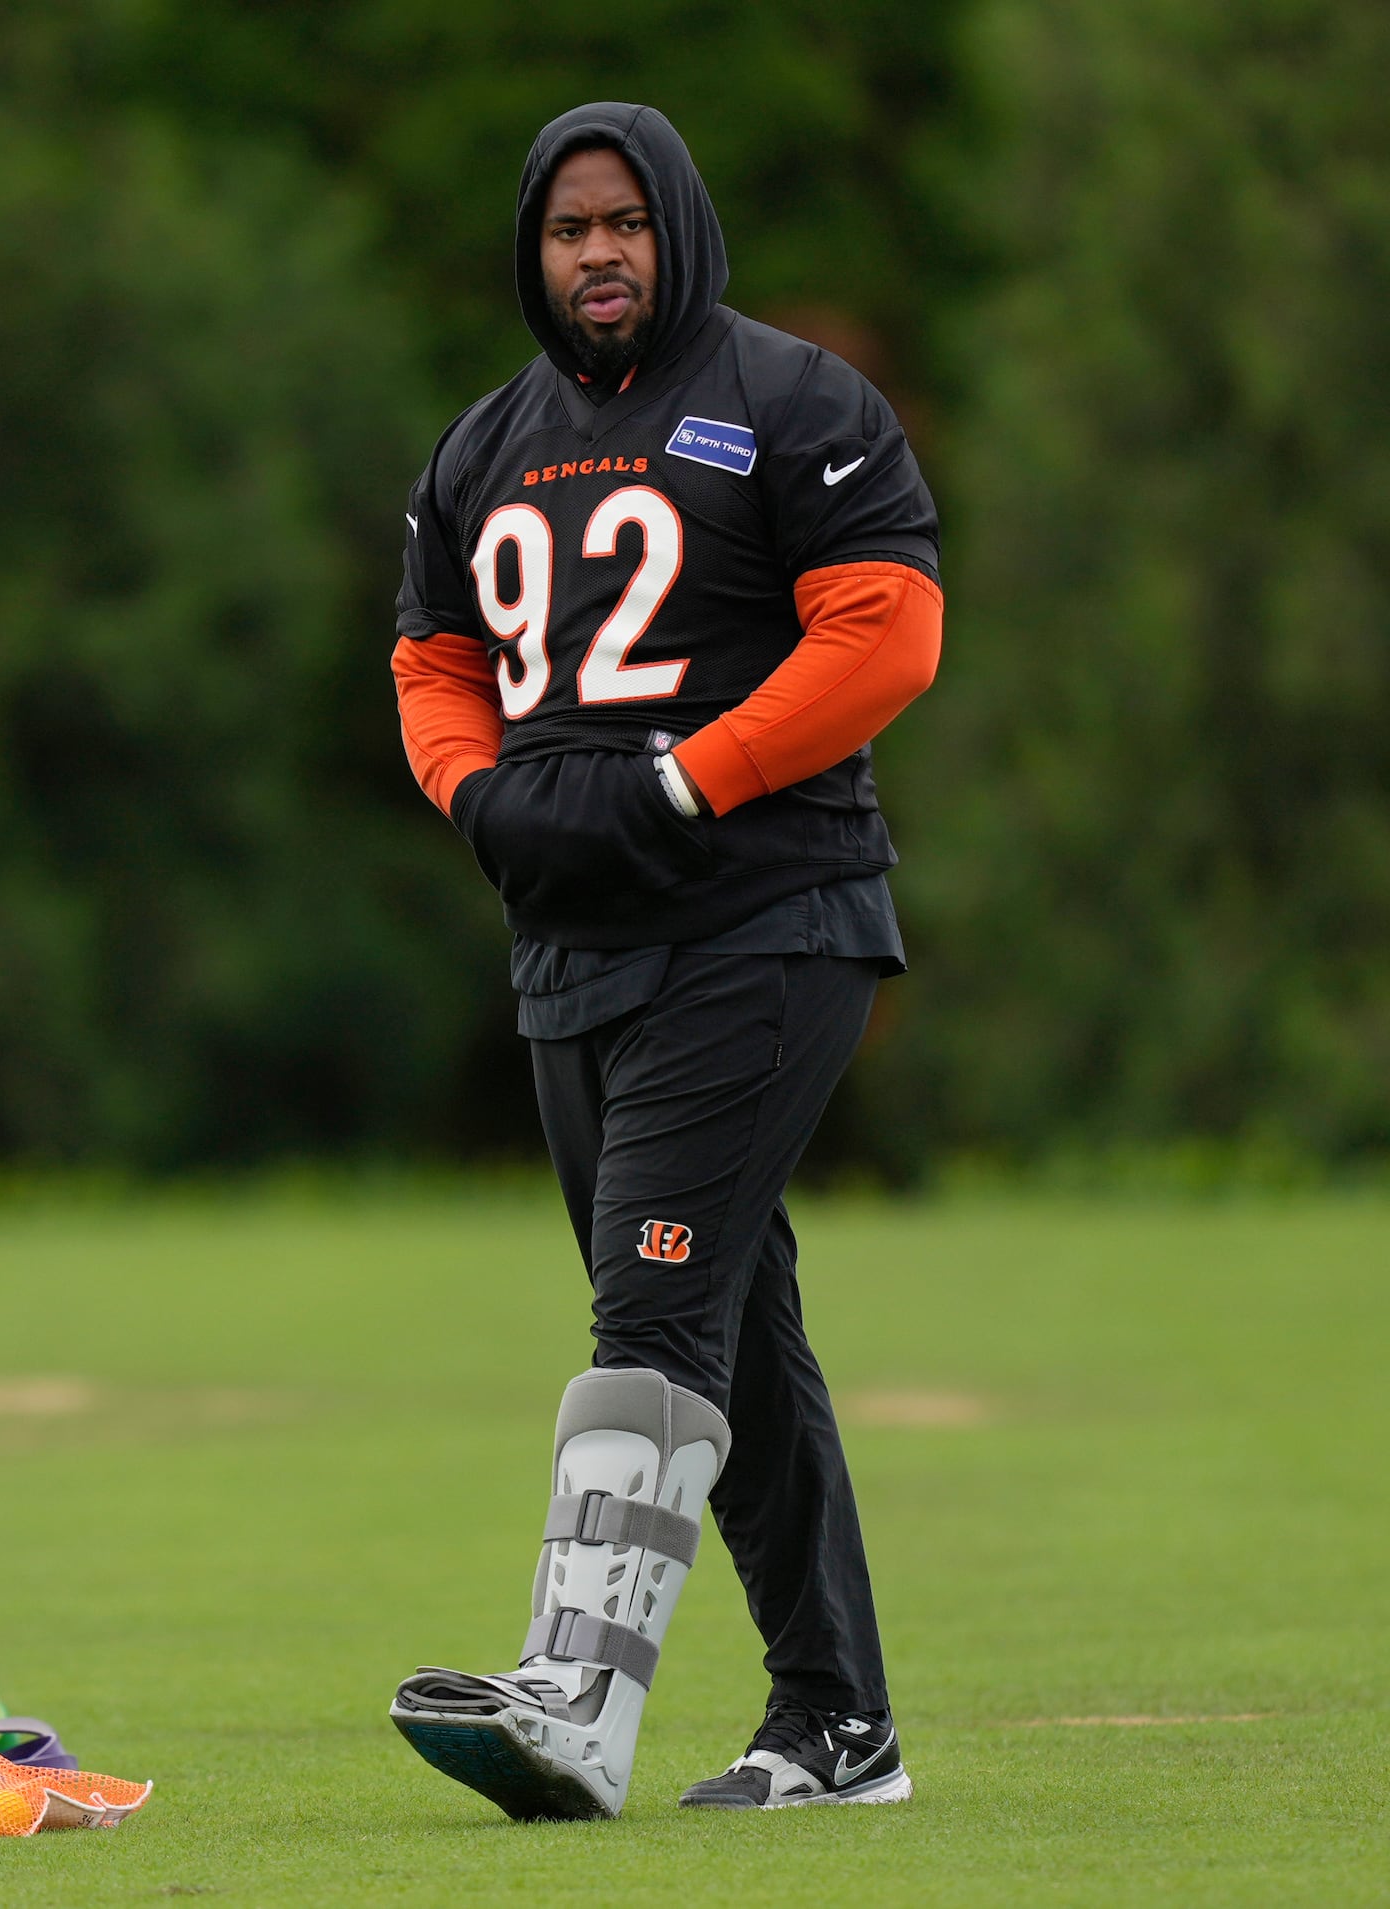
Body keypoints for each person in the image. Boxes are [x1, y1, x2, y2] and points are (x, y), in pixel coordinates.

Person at [387, 102, 942, 1820]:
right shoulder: (484, 441)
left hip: (762, 918)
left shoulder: (793, 399)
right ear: (534, 252)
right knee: (727, 1334)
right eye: (569, 229)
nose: (598, 253)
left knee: (648, 1311)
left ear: (677, 226)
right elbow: (431, 659)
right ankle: (840, 1727)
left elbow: (890, 632)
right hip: (573, 943)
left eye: (624, 221)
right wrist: (476, 793)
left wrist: (693, 779)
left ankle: (574, 1699)